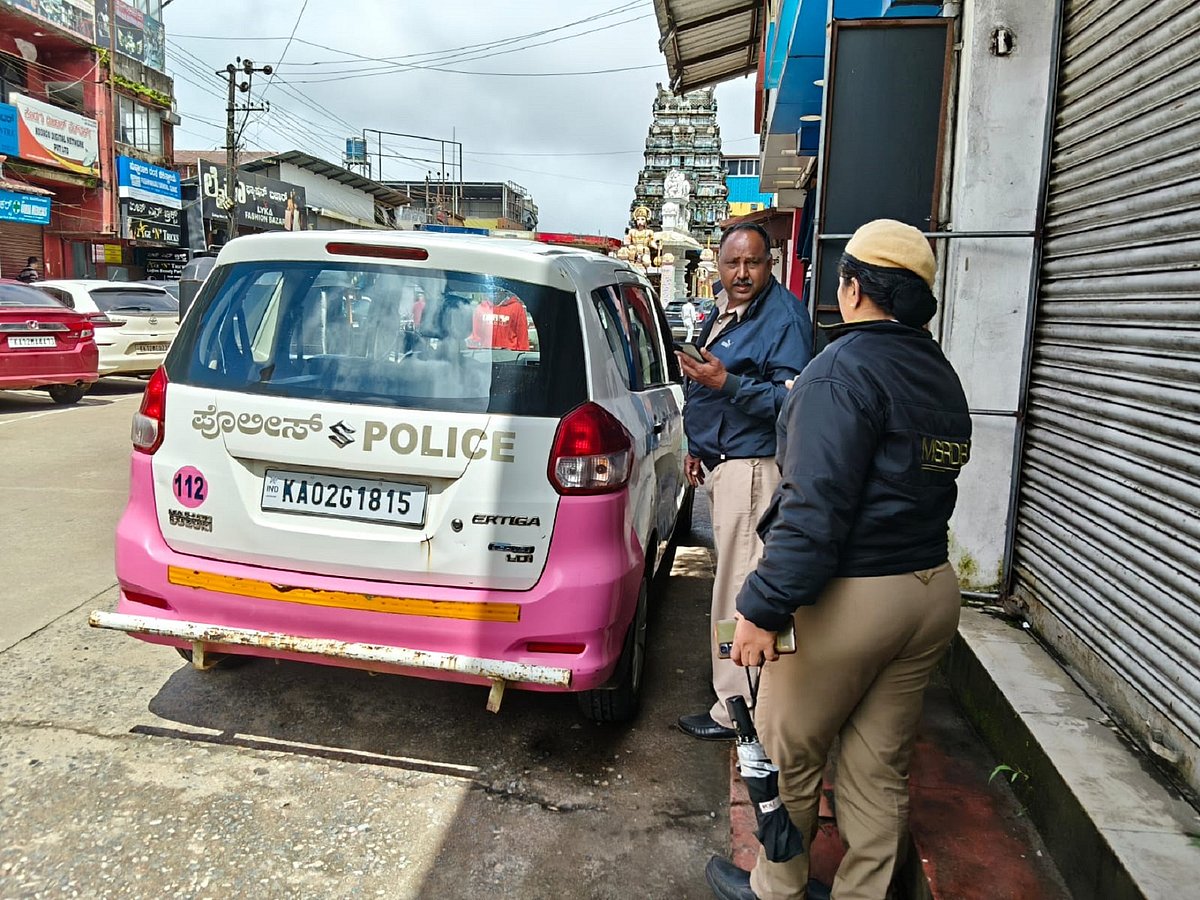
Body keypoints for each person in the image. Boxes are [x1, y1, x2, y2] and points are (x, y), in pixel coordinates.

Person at [704, 219, 973, 900]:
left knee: (786, 752)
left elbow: (814, 508)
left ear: (850, 288)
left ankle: (777, 889)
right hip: (929, 589)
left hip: (855, 596)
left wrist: (762, 608)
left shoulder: (839, 372)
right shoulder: (938, 373)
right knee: (878, 766)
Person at [674, 222, 813, 742]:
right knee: (730, 583)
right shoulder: (721, 309)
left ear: (770, 263)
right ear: (718, 264)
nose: (741, 273)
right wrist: (699, 447)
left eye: (752, 263)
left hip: (755, 469)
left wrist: (725, 382)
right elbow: (710, 384)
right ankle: (741, 699)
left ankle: (737, 710)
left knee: (739, 589)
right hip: (725, 465)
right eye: (732, 263)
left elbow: (792, 402)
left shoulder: (784, 317)